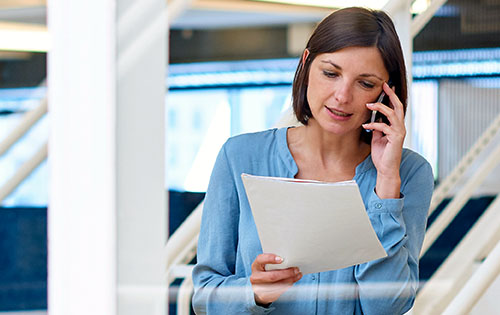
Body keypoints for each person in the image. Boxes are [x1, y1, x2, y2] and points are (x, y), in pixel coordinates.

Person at [191, 6, 434, 315]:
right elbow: (204, 297)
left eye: (366, 83)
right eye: (331, 73)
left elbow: (387, 307)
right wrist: (255, 293)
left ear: (388, 95)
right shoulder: (239, 157)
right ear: (306, 65)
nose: (342, 96)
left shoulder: (410, 173)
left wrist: (386, 184)